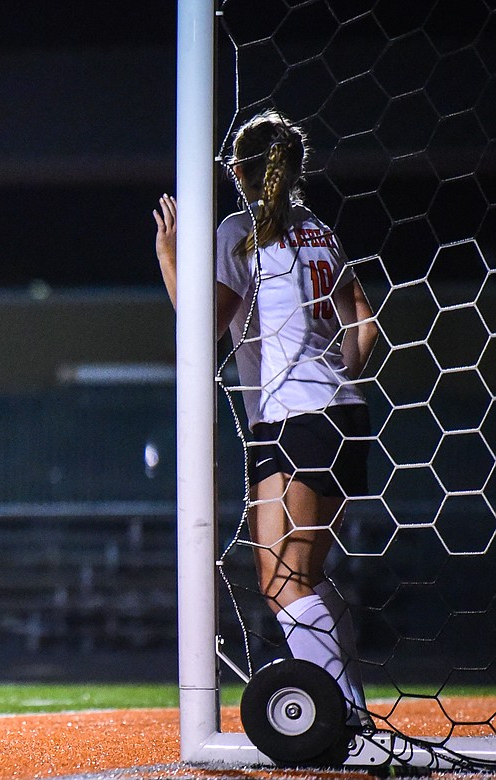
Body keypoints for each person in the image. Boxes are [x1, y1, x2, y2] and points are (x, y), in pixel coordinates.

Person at [153, 110, 379, 726]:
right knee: (296, 577)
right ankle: (349, 706)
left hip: (295, 413)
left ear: (243, 170)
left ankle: (345, 718)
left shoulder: (242, 232)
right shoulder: (318, 231)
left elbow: (203, 329)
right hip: (326, 414)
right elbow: (365, 319)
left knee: (285, 581)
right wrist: (339, 373)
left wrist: (169, 257)